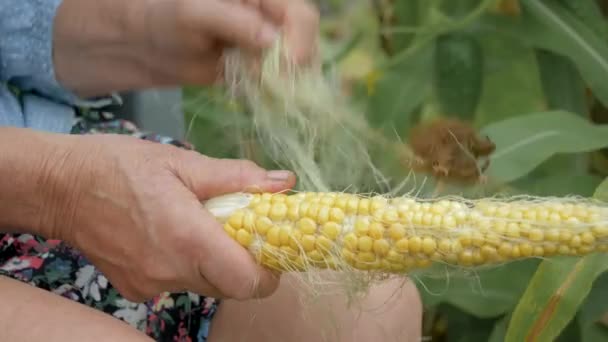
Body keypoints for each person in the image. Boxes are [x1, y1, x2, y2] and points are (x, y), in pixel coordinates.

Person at [0, 0, 423, 341]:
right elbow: (61, 184)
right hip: (40, 175)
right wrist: (61, 188)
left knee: (368, 315)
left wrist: (145, 28)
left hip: (51, 141)